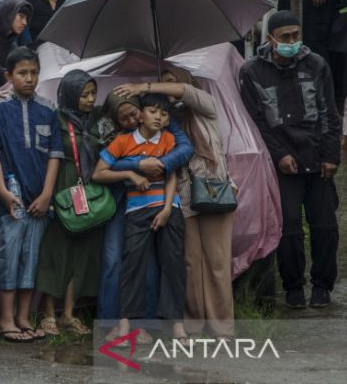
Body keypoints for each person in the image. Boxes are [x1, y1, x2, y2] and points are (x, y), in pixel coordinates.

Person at [115, 68, 236, 339]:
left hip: (215, 191)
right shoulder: (168, 121)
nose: (166, 89)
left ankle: (221, 327)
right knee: (190, 261)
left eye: (170, 84)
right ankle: (192, 324)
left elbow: (184, 92)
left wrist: (146, 86)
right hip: (184, 196)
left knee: (217, 261)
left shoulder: (206, 106)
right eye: (163, 84)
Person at [240, 11, 341, 309]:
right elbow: (256, 122)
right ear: (271, 39)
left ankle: (322, 286)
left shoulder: (316, 65)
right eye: (285, 37)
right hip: (282, 164)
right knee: (290, 229)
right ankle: (293, 287)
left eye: (296, 35)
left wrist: (331, 156)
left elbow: (329, 113)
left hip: (318, 158)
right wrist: (279, 155)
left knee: (325, 227)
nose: (292, 42)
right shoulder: (252, 72)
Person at [0, 46, 63, 342]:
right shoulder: (0, 110)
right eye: (22, 73)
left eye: (34, 73)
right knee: (9, 255)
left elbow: (55, 154)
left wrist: (47, 194)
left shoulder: (49, 109)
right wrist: (1, 191)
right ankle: (5, 320)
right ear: (9, 76)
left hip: (40, 197)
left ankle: (24, 317)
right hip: (11, 196)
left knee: (32, 256)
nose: (29, 79)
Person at [97, 91, 193, 342]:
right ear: (140, 115)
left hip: (168, 209)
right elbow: (99, 173)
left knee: (173, 264)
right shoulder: (123, 142)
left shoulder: (170, 139)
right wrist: (130, 175)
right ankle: (125, 324)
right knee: (133, 266)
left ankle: (176, 325)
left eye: (164, 113)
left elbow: (171, 174)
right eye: (152, 112)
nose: (159, 117)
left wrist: (166, 209)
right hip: (136, 211)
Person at [36, 71, 107, 336]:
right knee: (57, 251)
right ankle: (47, 314)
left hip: (88, 190)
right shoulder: (57, 118)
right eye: (84, 94)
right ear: (69, 94)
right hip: (63, 186)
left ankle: (68, 314)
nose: (90, 99)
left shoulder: (96, 121)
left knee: (82, 253)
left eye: (93, 93)